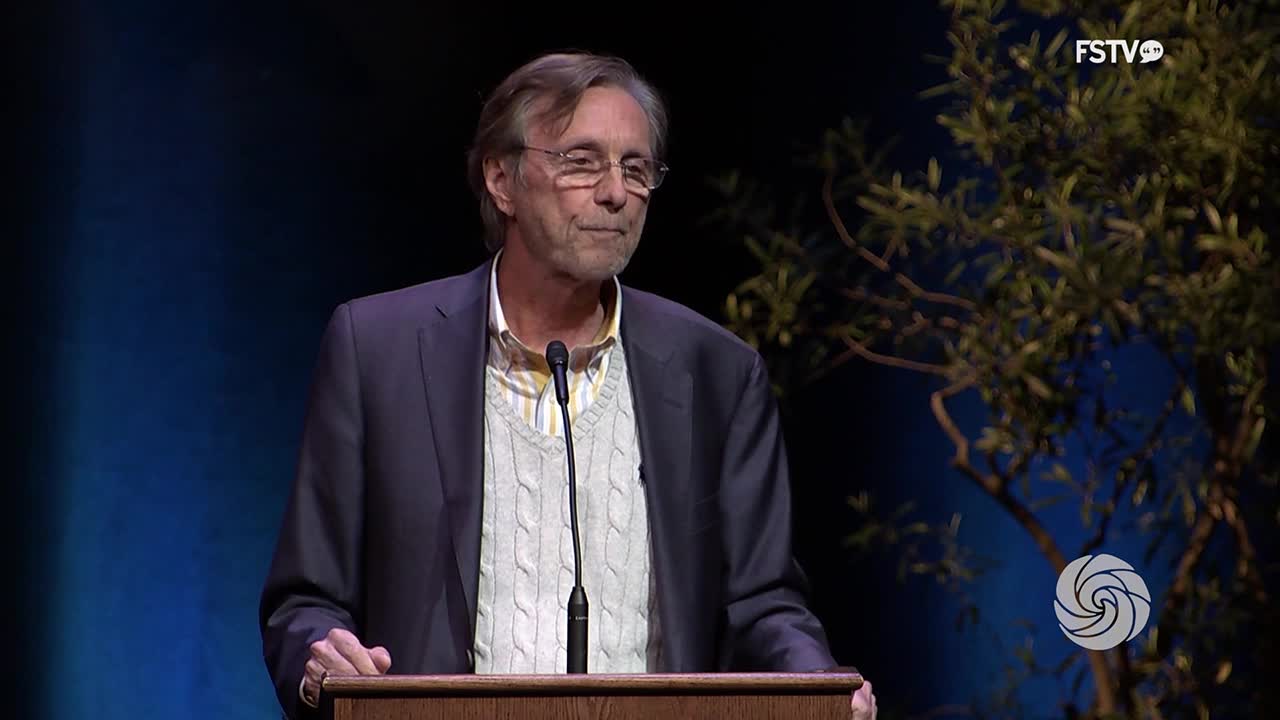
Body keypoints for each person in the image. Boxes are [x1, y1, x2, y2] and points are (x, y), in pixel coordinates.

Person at [258, 50, 876, 720]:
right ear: (502, 179)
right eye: (582, 161)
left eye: (636, 169)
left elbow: (763, 602)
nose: (615, 192)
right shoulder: (377, 349)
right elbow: (304, 601)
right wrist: (322, 659)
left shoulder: (716, 372)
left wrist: (822, 688)